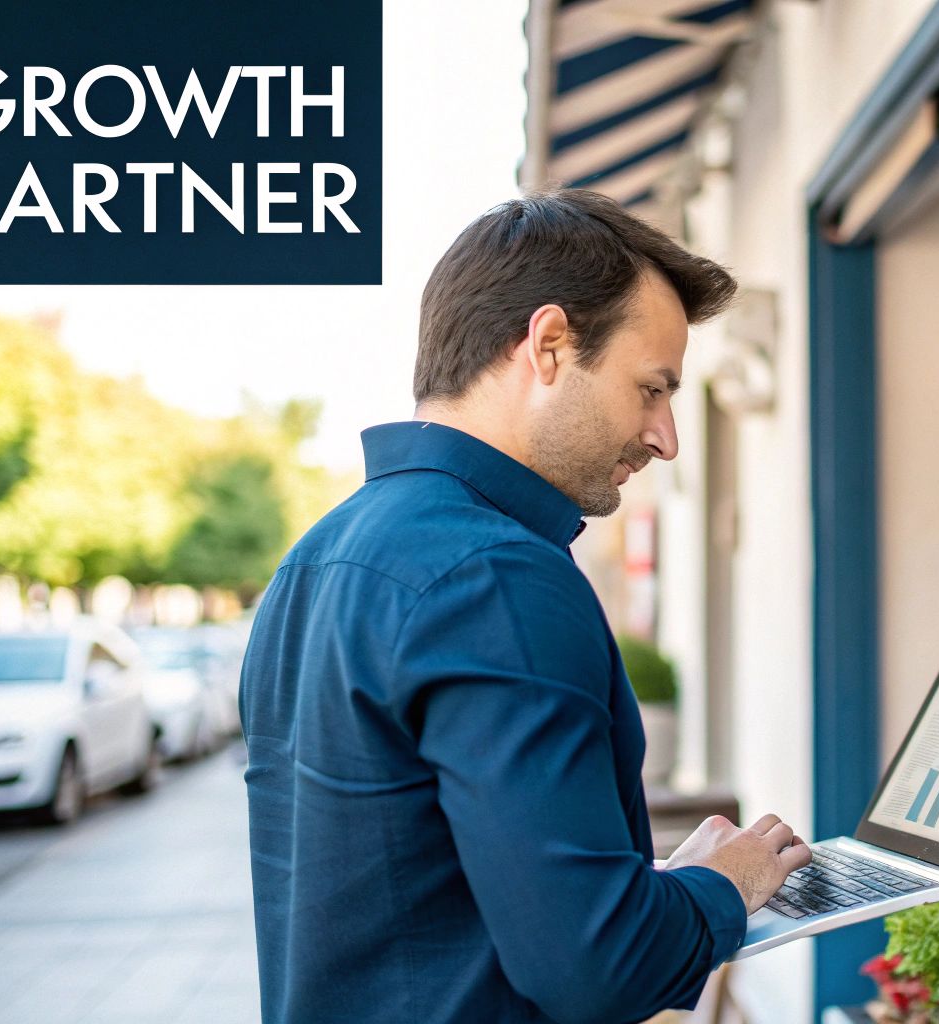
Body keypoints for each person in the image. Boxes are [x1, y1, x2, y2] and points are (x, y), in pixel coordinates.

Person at [239, 186, 810, 1024]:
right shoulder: (498, 577)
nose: (666, 437)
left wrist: (663, 893)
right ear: (547, 346)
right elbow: (596, 970)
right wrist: (723, 891)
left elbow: (446, 901)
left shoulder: (314, 560)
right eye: (652, 389)